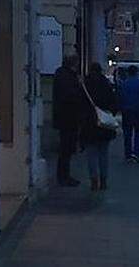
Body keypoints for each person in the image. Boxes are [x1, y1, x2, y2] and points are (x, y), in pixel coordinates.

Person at [79, 63, 118, 190]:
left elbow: (79, 104)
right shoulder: (106, 84)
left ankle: (93, 179)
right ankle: (104, 179)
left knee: (91, 153)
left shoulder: (85, 85)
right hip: (104, 124)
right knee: (103, 153)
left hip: (89, 123)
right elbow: (114, 103)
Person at [52, 55, 84, 186]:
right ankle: (63, 176)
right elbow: (72, 96)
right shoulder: (68, 77)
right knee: (66, 149)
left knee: (66, 149)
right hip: (68, 118)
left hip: (64, 117)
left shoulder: (61, 74)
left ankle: (63, 176)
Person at [118, 65, 139, 163]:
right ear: (137, 72)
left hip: (127, 111)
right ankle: (137, 153)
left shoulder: (124, 84)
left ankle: (128, 154)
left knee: (127, 133)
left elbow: (120, 97)